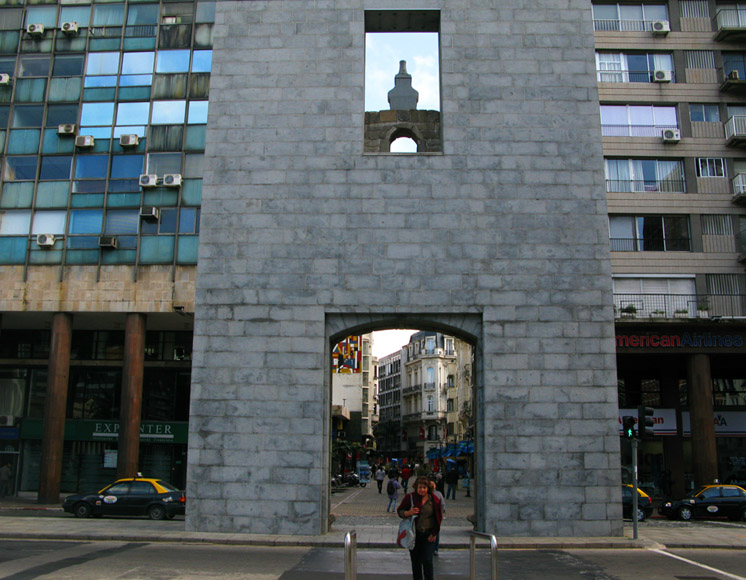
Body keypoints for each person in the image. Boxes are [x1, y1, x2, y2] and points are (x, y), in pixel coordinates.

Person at [398, 476, 442, 580]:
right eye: (420, 487)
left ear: (428, 488)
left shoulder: (434, 500)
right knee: (416, 562)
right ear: (416, 487)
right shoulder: (410, 497)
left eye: (424, 487)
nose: (422, 490)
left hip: (428, 535)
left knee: (427, 561)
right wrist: (408, 512)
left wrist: (434, 533)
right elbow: (400, 511)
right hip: (414, 535)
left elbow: (438, 518)